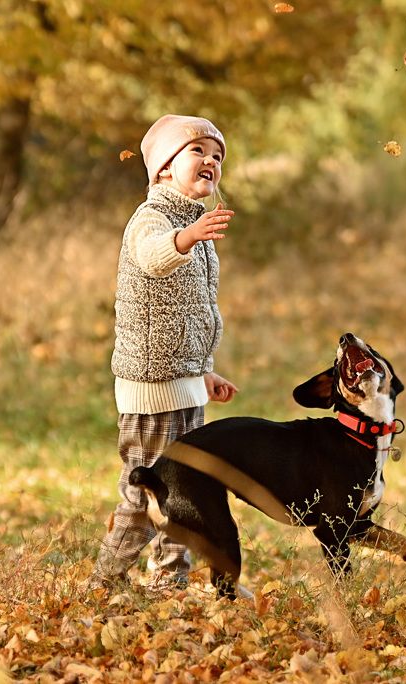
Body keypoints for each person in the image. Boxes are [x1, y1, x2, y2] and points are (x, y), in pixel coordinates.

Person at [91, 114, 238, 592]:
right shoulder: (152, 219)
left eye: (217, 156)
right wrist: (188, 237)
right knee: (145, 492)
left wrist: (205, 373)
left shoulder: (195, 224)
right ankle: (106, 578)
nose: (210, 162)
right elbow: (154, 257)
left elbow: (192, 310)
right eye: (198, 151)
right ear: (161, 168)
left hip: (183, 384)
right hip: (151, 388)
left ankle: (169, 582)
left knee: (185, 492)